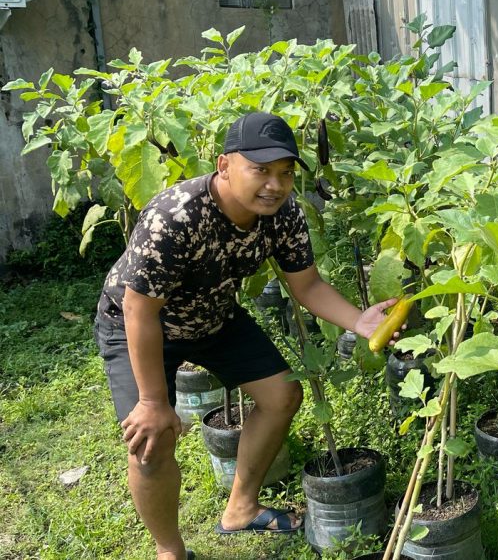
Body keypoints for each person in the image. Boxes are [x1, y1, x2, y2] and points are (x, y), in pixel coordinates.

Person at [94, 112, 400, 560]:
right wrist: (155, 402)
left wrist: (359, 321)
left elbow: (307, 285)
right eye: (260, 170)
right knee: (152, 442)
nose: (275, 184)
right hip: (137, 325)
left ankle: (240, 509)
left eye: (285, 173)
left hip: (214, 316)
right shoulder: (173, 216)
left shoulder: (283, 214)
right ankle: (169, 551)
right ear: (224, 166)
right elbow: (141, 309)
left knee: (281, 396)